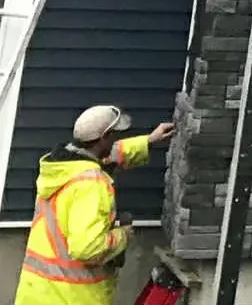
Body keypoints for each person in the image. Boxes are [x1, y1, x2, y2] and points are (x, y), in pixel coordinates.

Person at [15, 106, 174, 305]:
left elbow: (112, 155)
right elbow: (87, 249)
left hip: (36, 292)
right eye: (114, 135)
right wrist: (122, 236)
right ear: (104, 137)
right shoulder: (91, 184)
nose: (116, 139)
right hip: (72, 297)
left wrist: (149, 141)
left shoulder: (60, 167)